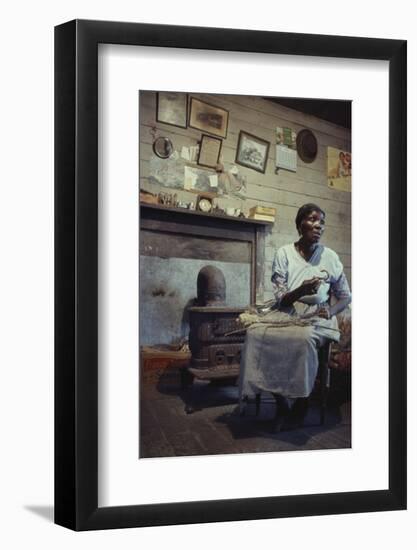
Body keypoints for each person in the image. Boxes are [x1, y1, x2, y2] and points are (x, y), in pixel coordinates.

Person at [239, 203, 351, 431]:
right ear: (299, 225)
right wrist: (300, 290)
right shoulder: (284, 253)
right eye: (312, 219)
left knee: (303, 339)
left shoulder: (330, 257)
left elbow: (346, 297)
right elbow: (282, 299)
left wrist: (330, 310)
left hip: (318, 315)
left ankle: (301, 403)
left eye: (322, 222)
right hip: (287, 312)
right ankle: (282, 404)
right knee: (255, 334)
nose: (318, 225)